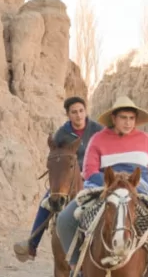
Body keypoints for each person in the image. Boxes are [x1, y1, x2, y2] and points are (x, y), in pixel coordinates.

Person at [55, 96, 148, 277]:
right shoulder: (98, 139)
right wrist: (111, 184)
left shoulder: (145, 140)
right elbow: (89, 171)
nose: (128, 122)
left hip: (140, 187)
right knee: (65, 219)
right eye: (123, 117)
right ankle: (77, 272)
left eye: (132, 118)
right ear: (113, 118)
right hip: (104, 186)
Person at [13, 96, 104, 263]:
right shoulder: (62, 133)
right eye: (74, 112)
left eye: (81, 111)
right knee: (47, 200)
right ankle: (32, 243)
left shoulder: (98, 130)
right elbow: (57, 156)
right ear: (68, 114)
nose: (78, 115)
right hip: (69, 176)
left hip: (95, 174)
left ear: (86, 111)